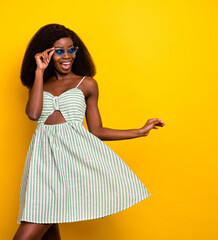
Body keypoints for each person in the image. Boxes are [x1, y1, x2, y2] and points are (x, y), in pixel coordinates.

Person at [13, 23, 165, 240]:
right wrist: (39, 71)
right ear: (46, 53)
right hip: (43, 164)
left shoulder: (87, 84)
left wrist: (140, 131)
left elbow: (97, 130)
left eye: (71, 50)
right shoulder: (40, 84)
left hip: (73, 162)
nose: (67, 56)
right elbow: (33, 114)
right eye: (59, 51)